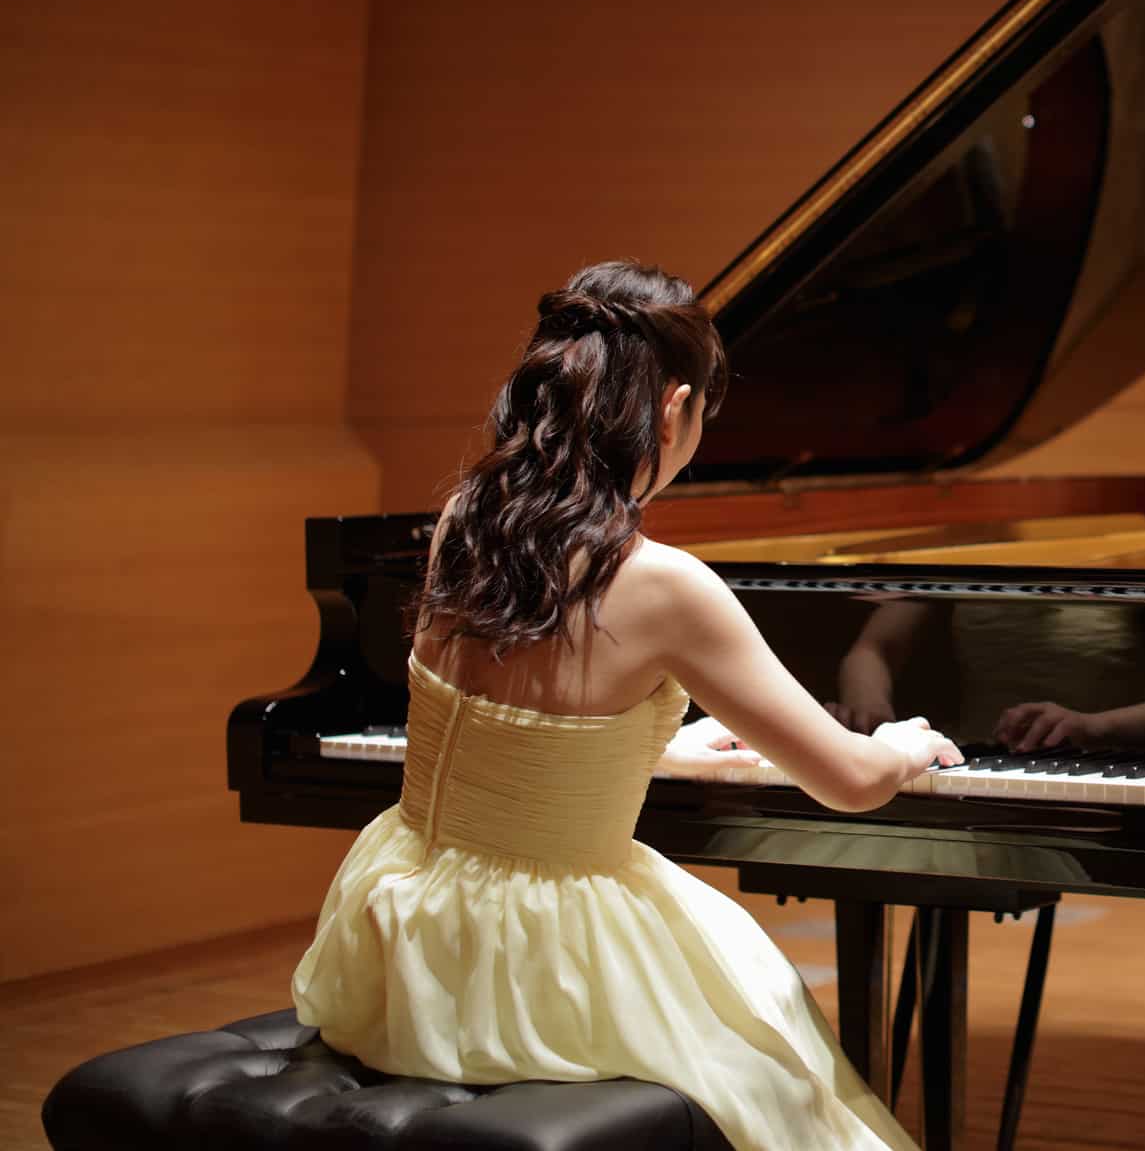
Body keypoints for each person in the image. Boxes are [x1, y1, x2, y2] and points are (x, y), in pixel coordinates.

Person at [293, 259, 961, 1151]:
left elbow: (497, 735)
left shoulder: (464, 521)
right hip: (527, 966)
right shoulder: (663, 585)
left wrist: (656, 752)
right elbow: (848, 781)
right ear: (676, 406)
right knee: (773, 1063)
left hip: (398, 936)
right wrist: (902, 742)